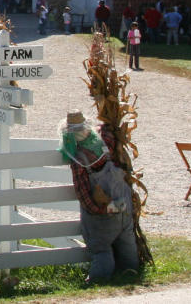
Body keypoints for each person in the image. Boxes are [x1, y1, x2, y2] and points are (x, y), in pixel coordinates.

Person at [59, 110, 139, 284]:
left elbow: (83, 193)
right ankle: (131, 271)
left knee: (101, 249)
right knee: (127, 242)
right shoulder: (105, 141)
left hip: (101, 215)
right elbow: (106, 129)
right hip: (123, 205)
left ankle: (99, 278)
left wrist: (98, 209)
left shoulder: (79, 159)